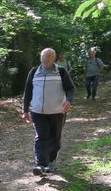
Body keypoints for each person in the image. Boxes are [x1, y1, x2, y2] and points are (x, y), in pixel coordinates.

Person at [22, 48, 74, 176]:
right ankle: (40, 165)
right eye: (43, 56)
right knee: (41, 137)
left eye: (48, 57)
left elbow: (70, 89)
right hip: (38, 112)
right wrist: (25, 110)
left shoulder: (61, 71)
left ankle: (51, 161)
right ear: (40, 57)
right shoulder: (34, 72)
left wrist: (69, 101)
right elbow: (27, 92)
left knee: (55, 138)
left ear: (53, 58)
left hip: (57, 111)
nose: (45, 59)